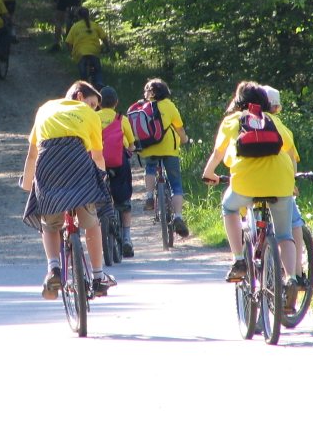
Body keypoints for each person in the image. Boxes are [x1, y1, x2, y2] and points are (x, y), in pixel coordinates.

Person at [201, 81, 299, 298]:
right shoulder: (273, 120)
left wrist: (209, 173)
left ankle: (238, 260)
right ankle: (291, 279)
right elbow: (291, 153)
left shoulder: (233, 120)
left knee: (229, 207)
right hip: (280, 180)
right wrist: (291, 182)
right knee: (284, 235)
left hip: (246, 183)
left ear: (238, 102)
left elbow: (218, 153)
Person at [21, 81, 117, 299]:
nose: (93, 109)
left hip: (48, 165)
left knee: (49, 224)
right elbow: (97, 156)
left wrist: (27, 185)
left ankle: (53, 269)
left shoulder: (44, 109)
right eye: (92, 104)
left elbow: (32, 155)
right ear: (80, 96)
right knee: (92, 223)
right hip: (78, 165)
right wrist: (101, 182)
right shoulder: (89, 114)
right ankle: (98, 277)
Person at [262, 84, 308, 285]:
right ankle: (296, 273)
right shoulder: (281, 127)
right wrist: (292, 182)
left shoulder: (244, 123)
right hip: (279, 186)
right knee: (294, 222)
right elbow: (291, 158)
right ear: (276, 107)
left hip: (249, 187)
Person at [138, 78, 190, 237]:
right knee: (176, 184)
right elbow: (179, 129)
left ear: (150, 93)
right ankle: (178, 216)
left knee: (150, 168)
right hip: (169, 149)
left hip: (149, 148)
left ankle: (149, 196)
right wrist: (184, 139)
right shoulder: (169, 105)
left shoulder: (144, 107)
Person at [98, 86, 137, 257]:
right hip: (119, 162)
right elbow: (131, 144)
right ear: (116, 102)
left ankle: (100, 227)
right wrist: (130, 149)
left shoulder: (93, 118)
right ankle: (127, 238)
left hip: (98, 163)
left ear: (98, 103)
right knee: (125, 201)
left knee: (97, 197)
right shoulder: (122, 119)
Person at [65, 7, 107, 90]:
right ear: (88, 15)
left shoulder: (75, 27)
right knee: (97, 70)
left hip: (80, 53)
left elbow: (68, 42)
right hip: (94, 51)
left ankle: (84, 87)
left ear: (78, 16)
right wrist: (108, 47)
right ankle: (99, 83)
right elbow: (104, 37)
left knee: (83, 76)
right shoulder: (95, 25)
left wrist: (72, 53)